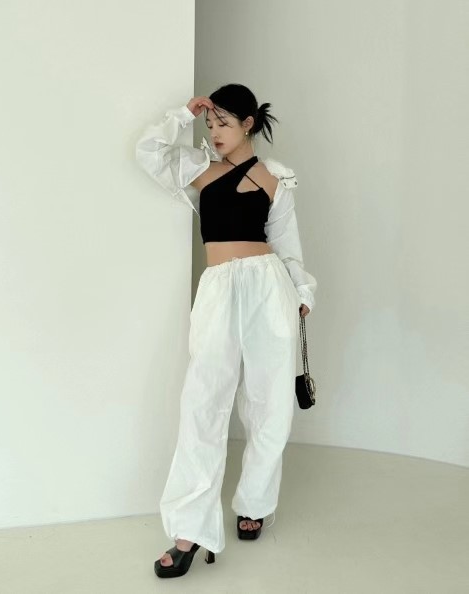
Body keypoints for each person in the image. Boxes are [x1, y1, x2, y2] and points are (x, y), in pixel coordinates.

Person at [135, 83, 317, 578]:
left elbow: (288, 247)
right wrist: (182, 113)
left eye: (224, 123)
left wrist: (302, 294)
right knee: (203, 404)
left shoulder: (276, 179)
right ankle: (189, 530)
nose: (214, 132)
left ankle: (254, 502)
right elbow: (147, 151)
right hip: (218, 291)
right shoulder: (199, 169)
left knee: (268, 404)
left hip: (269, 291)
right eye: (209, 123)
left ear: (248, 124)